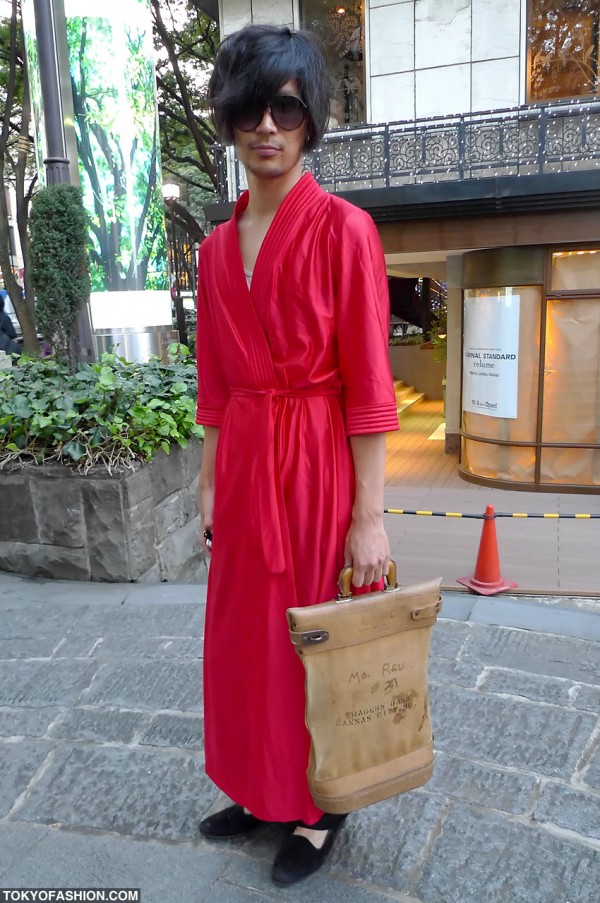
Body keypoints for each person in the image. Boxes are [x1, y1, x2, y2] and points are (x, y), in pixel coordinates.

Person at [195, 24, 399, 886]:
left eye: (286, 106)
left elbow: (370, 390)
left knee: (312, 642)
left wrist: (371, 520)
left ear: (311, 120)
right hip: (243, 468)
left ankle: (320, 807)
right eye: (251, 107)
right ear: (233, 120)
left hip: (315, 465)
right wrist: (208, 490)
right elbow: (212, 386)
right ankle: (256, 783)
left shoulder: (345, 231)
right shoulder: (211, 249)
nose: (266, 126)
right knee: (243, 643)